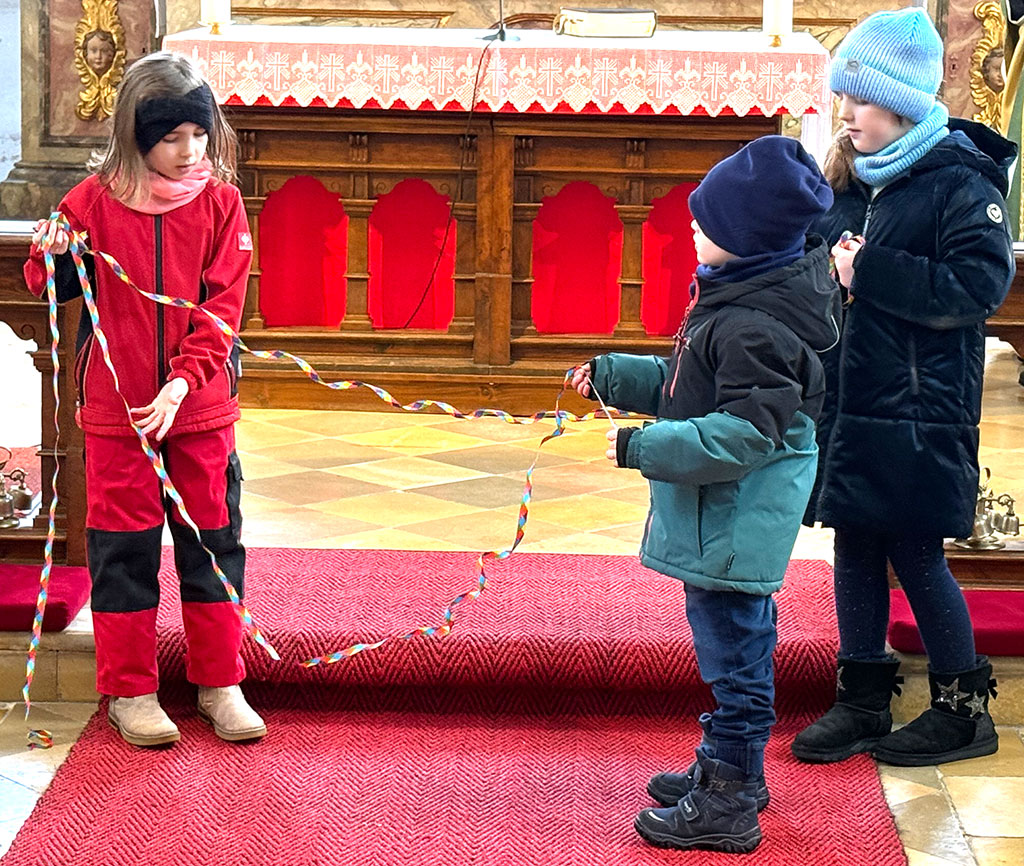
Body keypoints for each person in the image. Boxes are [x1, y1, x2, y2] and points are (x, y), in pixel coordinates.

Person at [573, 135, 840, 853]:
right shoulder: (736, 296)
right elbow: (691, 384)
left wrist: (641, 447)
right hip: (721, 516)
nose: (693, 227)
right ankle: (731, 771)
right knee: (728, 646)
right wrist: (614, 376)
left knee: (737, 653)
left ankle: (731, 797)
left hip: (737, 515)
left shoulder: (756, 324)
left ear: (746, 238)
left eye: (708, 220)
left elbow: (743, 437)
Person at [793, 8, 1016, 768]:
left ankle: (962, 709)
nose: (844, 114)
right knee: (854, 547)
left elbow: (978, 285)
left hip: (922, 411)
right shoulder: (853, 182)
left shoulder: (959, 180)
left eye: (858, 99)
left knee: (918, 553)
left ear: (901, 102)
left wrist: (869, 273)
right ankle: (861, 701)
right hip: (854, 406)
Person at [24, 52, 265, 747]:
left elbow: (223, 309)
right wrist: (57, 250)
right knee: (122, 552)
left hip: (197, 408)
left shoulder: (221, 202)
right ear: (135, 135)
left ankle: (220, 682)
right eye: (171, 139)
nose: (189, 152)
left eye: (199, 134)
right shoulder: (90, 202)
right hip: (118, 412)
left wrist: (182, 382)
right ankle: (129, 691)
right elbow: (50, 282)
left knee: (212, 545)